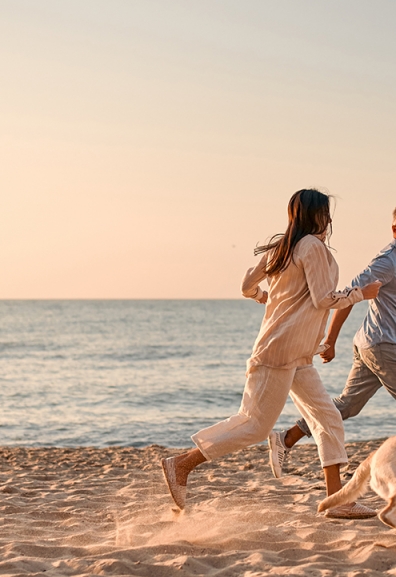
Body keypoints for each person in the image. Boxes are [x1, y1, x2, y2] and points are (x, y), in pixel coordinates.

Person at [160, 189, 383, 519]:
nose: (330, 219)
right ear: (316, 216)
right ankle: (181, 464)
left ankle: (339, 500)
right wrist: (360, 294)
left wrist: (264, 297)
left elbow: (246, 286)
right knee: (254, 426)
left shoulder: (283, 247)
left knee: (327, 418)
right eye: (326, 213)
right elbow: (324, 299)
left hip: (297, 354)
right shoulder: (312, 247)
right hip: (279, 353)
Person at [267, 204, 396, 478]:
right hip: (382, 345)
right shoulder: (388, 260)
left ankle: (285, 439)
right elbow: (353, 292)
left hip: (369, 344)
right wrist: (330, 339)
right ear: (395, 229)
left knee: (347, 405)